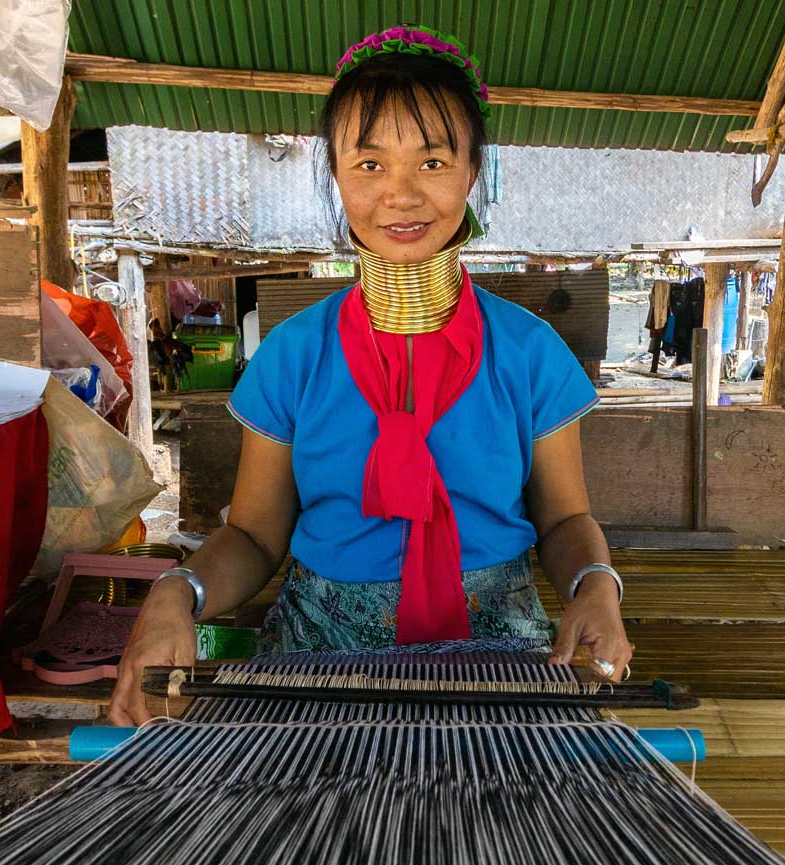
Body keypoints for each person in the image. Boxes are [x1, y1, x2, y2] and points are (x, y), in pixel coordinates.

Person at [108, 25, 632, 726]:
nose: (402, 195)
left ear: (472, 172)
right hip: (320, 658)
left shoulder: (528, 352)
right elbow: (257, 537)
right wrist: (178, 592)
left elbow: (564, 518)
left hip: (498, 656)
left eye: (433, 162)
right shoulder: (295, 355)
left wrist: (595, 588)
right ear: (335, 175)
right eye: (369, 165)